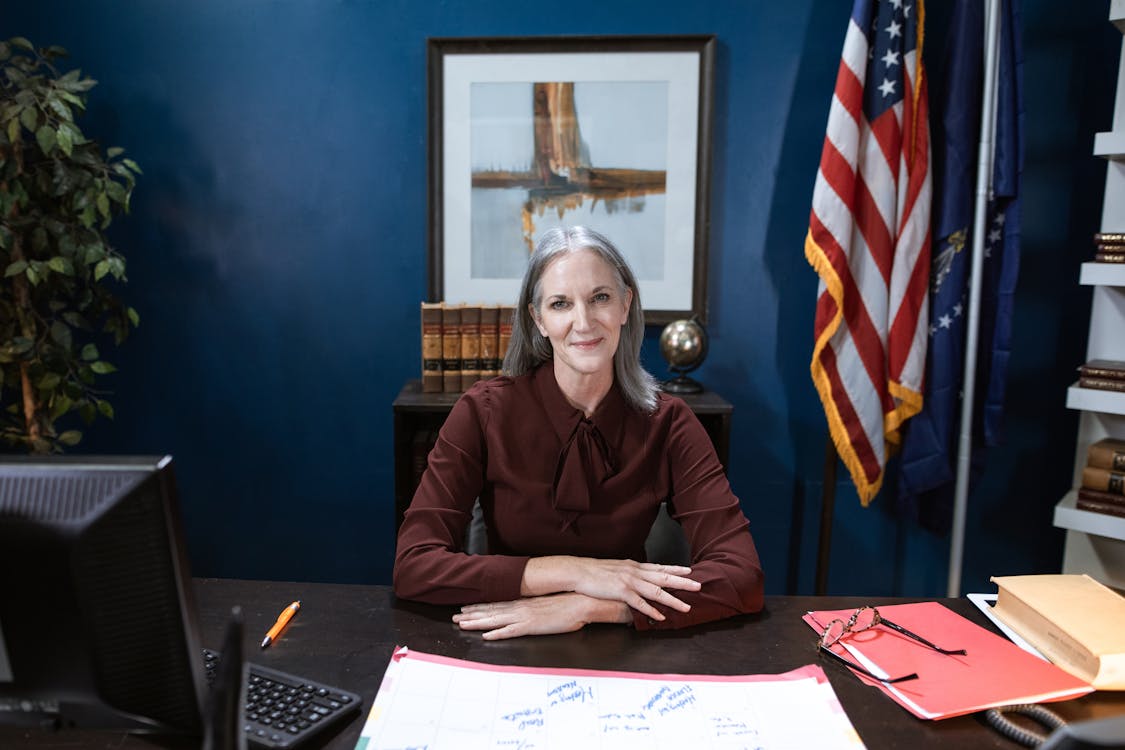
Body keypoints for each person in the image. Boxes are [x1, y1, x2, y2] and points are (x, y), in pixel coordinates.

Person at [393, 226, 764, 639]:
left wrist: (593, 606)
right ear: (538, 320)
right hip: (503, 641)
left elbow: (741, 575)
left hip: (631, 648)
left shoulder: (671, 423)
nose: (583, 322)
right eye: (560, 303)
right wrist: (575, 572)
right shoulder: (481, 412)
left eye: (600, 298)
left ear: (626, 304)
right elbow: (414, 565)